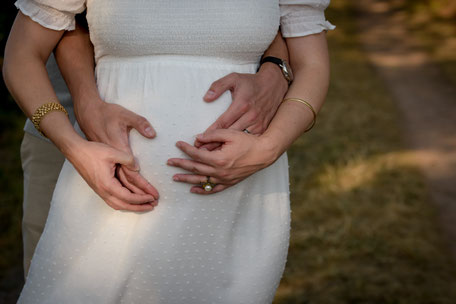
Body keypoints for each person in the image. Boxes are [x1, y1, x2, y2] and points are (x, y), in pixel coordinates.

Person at [3, 0, 334, 302]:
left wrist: (268, 147)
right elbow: (25, 51)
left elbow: (311, 62)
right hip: (104, 189)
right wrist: (74, 146)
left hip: (237, 197)